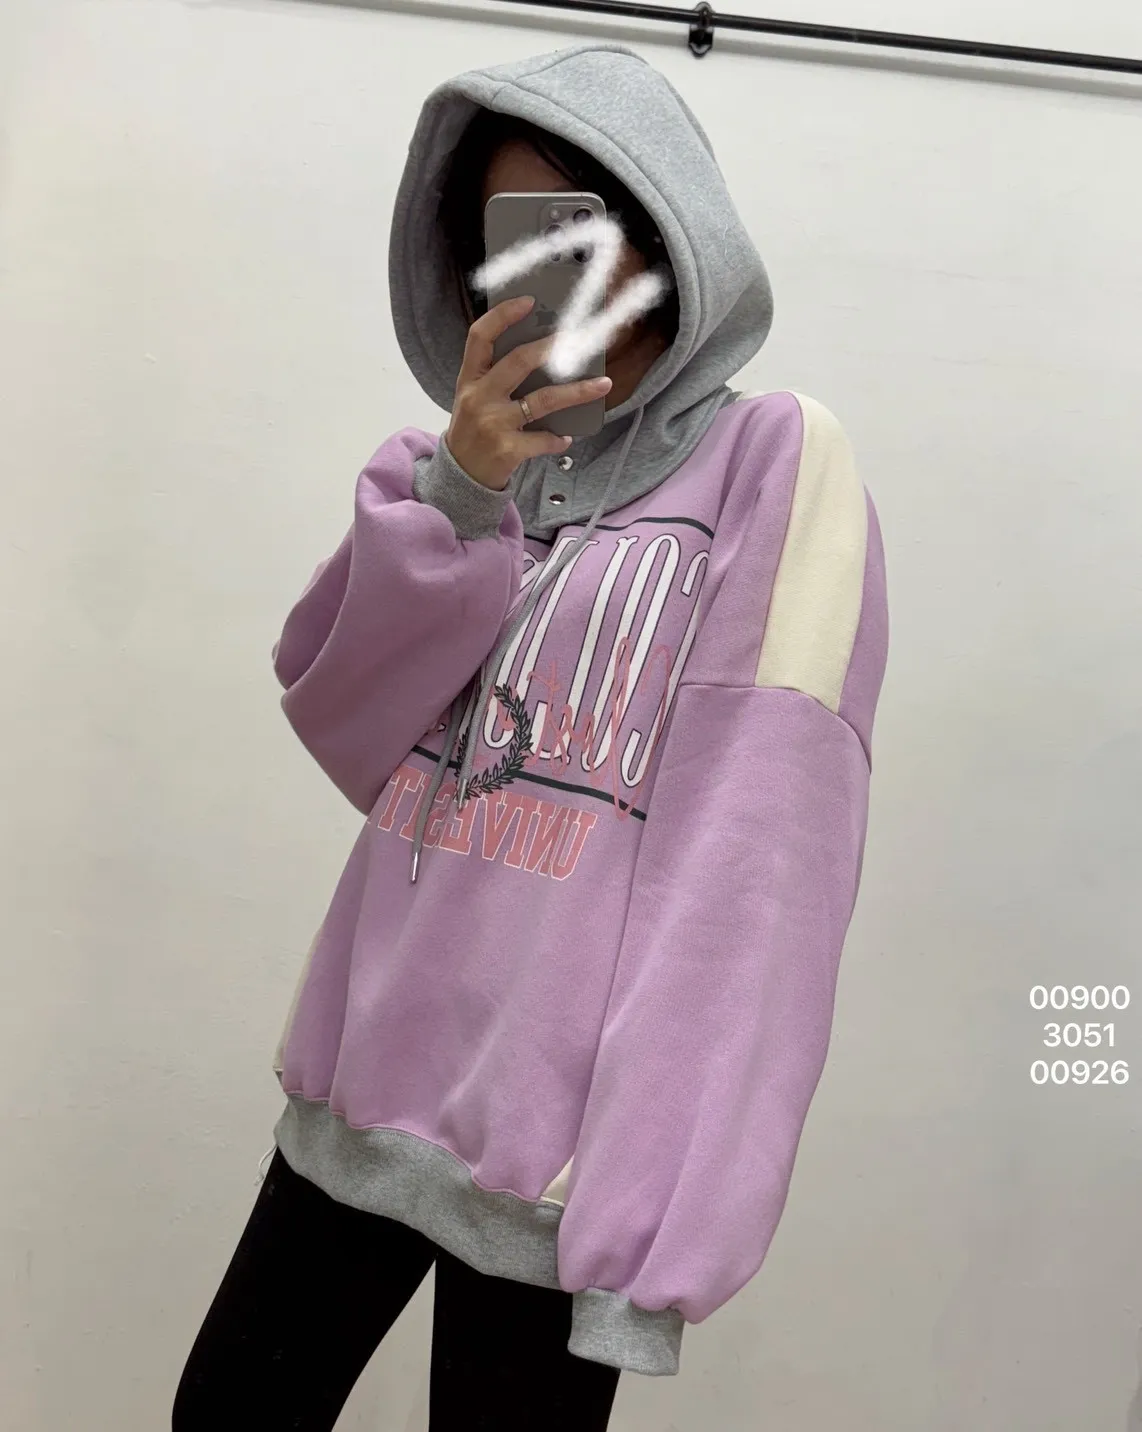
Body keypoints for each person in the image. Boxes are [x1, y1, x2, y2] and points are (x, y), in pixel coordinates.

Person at [173, 40, 888, 1432]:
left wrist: (649, 1219)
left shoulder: (770, 465)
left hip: (553, 1165)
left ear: (671, 238)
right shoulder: (441, 480)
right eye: (516, 239)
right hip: (358, 1096)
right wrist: (462, 494)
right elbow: (345, 721)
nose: (553, 274)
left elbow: (757, 867)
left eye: (587, 227)